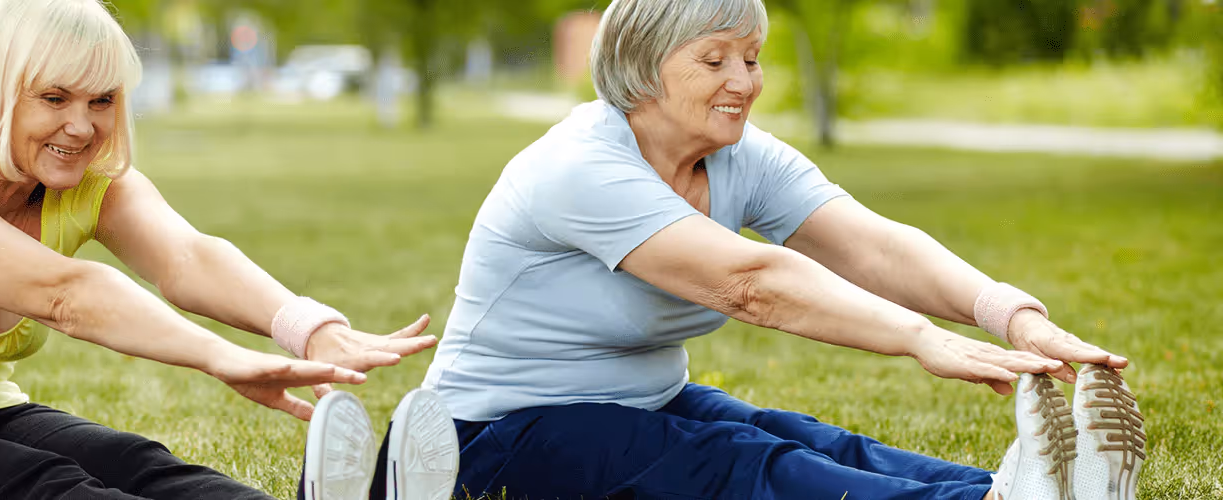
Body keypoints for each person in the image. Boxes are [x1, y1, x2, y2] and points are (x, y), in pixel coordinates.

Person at [392, 1, 1146, 499]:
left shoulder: (739, 154)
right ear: (642, 67)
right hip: (488, 440)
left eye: (751, 58)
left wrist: (1011, 316)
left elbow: (872, 246)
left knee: (800, 439)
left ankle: (1013, 490)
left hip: (639, 403)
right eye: (715, 59)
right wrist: (920, 337)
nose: (744, 82)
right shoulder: (579, 166)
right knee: (733, 465)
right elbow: (749, 283)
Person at [0, 1, 452, 498]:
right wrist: (219, 356)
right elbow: (66, 294)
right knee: (51, 490)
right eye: (55, 98)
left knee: (146, 470)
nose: (82, 126)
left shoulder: (87, 181)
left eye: (101, 101)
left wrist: (307, 326)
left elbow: (187, 257)